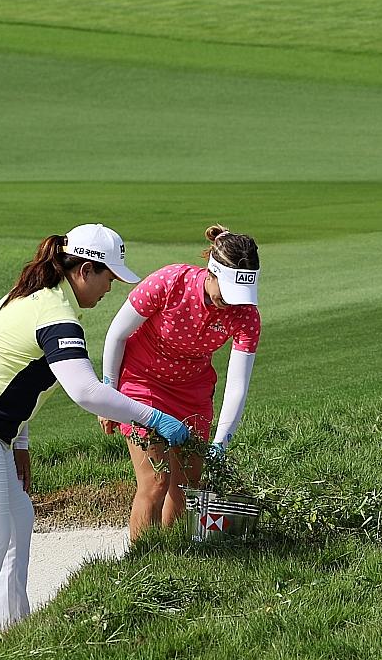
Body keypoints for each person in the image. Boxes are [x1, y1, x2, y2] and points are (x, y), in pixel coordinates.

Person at [0, 225, 190, 660]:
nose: (109, 289)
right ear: (84, 270)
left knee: (18, 521)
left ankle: (11, 639)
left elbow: (13, 373)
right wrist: (151, 415)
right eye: (108, 278)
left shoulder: (38, 295)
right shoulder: (55, 313)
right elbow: (85, 391)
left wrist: (20, 440)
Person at [100, 225, 262, 540]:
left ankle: (169, 555)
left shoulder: (246, 316)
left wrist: (222, 442)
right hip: (142, 381)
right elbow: (117, 334)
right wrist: (107, 394)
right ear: (211, 274)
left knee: (186, 485)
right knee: (156, 481)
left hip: (192, 392)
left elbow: (237, 383)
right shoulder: (170, 281)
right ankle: (141, 561)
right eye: (225, 292)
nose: (231, 303)